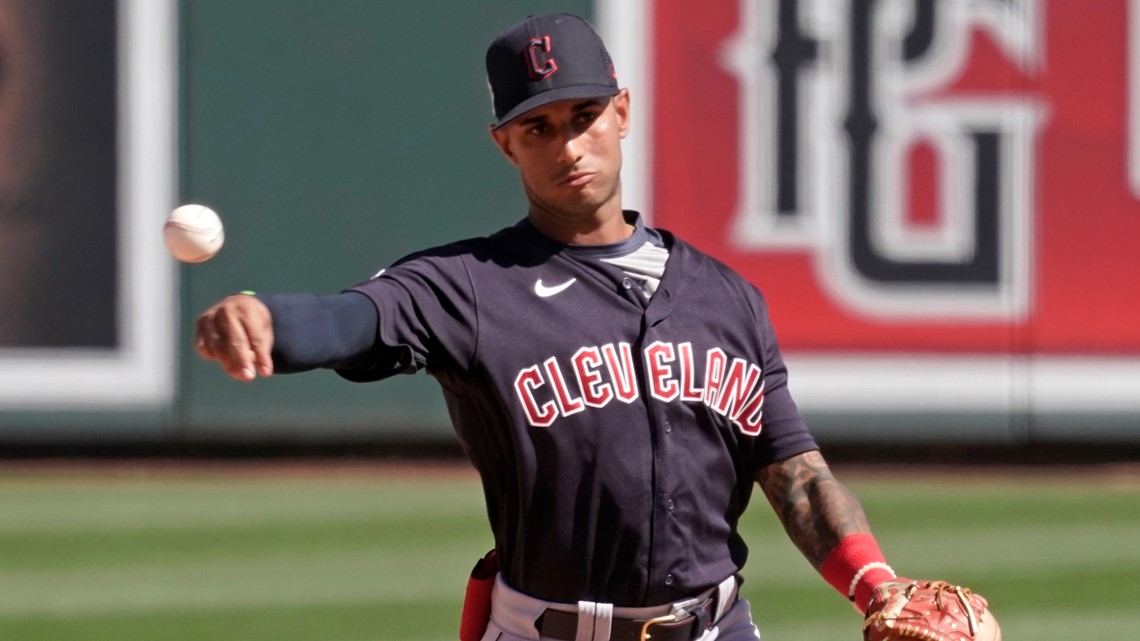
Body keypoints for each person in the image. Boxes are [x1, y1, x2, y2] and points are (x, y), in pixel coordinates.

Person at [195, 14, 906, 641]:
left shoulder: (729, 300)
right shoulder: (468, 286)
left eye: (584, 115)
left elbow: (801, 478)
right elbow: (351, 319)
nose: (568, 146)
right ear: (505, 143)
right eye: (539, 126)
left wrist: (878, 586)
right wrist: (265, 315)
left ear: (622, 112)